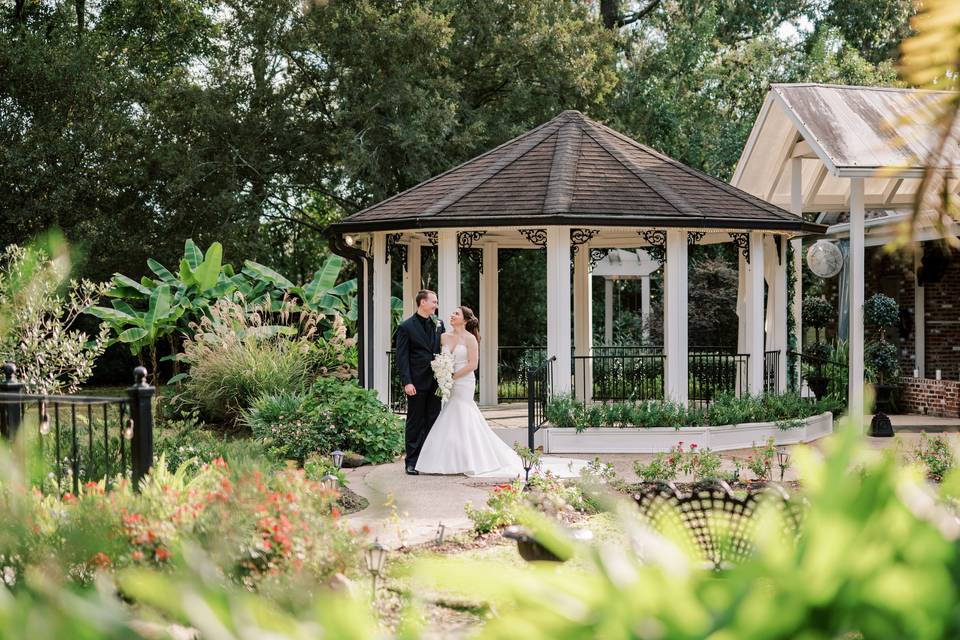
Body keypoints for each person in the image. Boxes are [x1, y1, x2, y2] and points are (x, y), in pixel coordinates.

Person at [415, 305, 586, 478]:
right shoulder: (444, 337)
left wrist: (453, 375)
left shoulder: (470, 339)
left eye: (456, 314)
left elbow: (473, 364)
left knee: (462, 413)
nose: (452, 315)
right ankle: (451, 460)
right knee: (451, 415)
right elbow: (439, 358)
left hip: (464, 381)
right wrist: (442, 373)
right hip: (449, 381)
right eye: (452, 313)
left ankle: (472, 460)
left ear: (465, 320)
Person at [394, 289, 444, 475]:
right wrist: (407, 382)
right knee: (415, 422)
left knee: (433, 420)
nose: (436, 305)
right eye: (434, 301)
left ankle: (429, 460)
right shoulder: (406, 327)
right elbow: (402, 357)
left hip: (436, 382)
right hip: (416, 382)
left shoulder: (439, 324)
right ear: (423, 302)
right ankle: (412, 461)